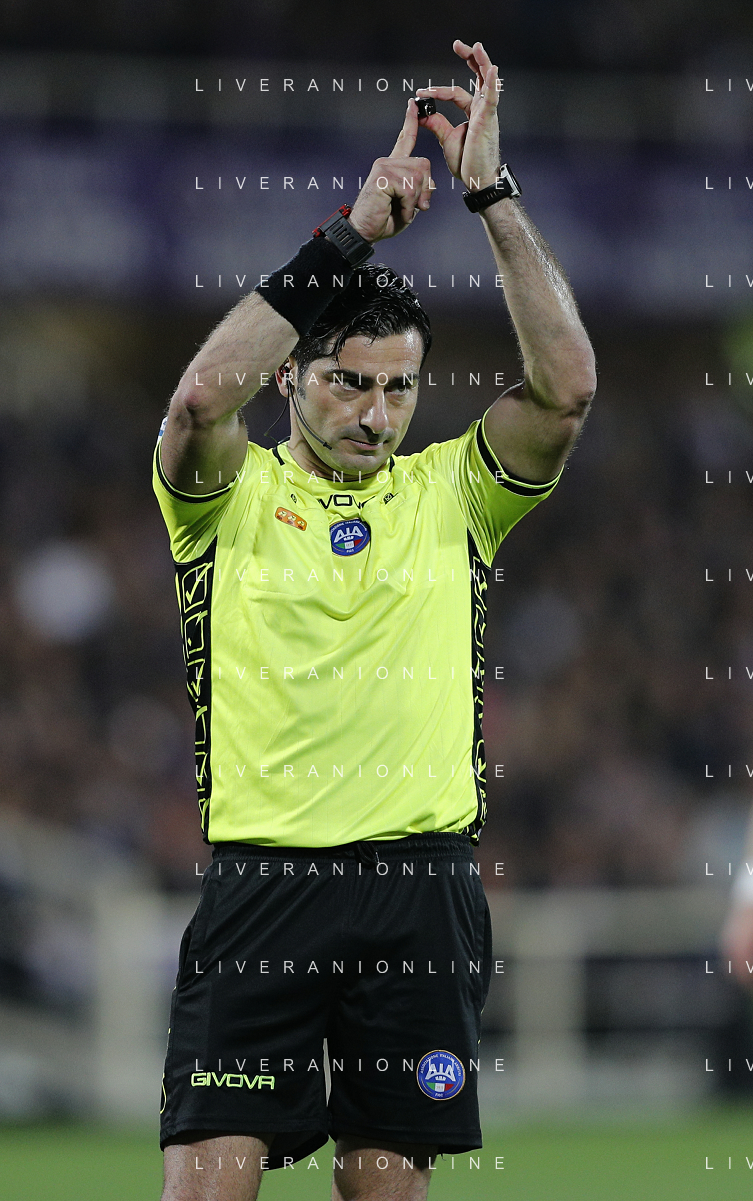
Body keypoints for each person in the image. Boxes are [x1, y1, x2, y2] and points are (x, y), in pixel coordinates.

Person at [155, 38, 595, 1201]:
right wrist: (350, 236)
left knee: (386, 1187)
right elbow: (197, 398)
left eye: (399, 387)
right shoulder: (227, 494)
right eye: (349, 380)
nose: (377, 412)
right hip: (266, 882)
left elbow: (566, 390)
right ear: (292, 378)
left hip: (421, 890)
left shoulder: (455, 493)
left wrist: (491, 196)